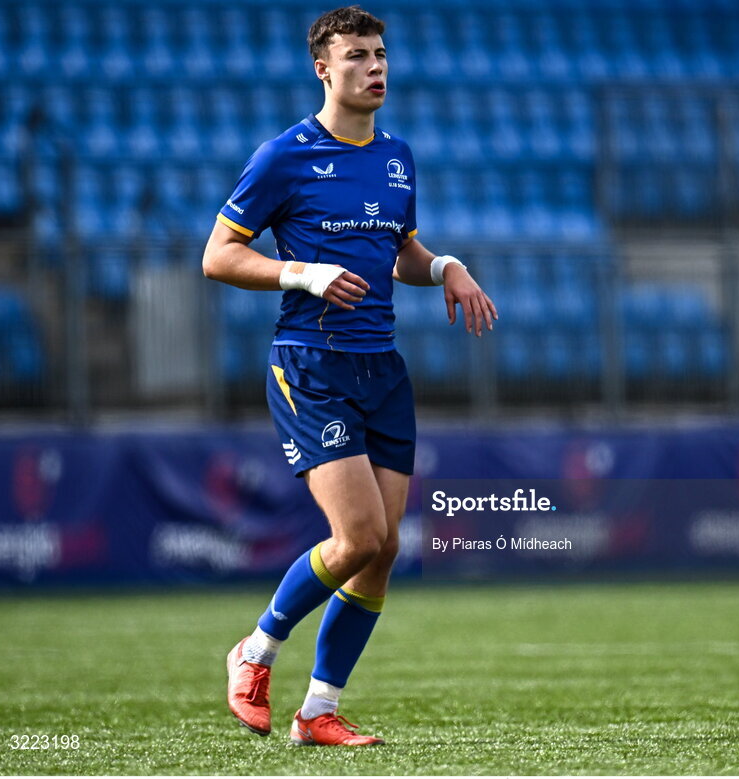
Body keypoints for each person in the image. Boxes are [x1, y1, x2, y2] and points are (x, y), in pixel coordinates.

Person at [201, 5, 497, 747]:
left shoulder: (396, 155)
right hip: (311, 365)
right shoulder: (284, 156)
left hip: (381, 368)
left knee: (385, 545)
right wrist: (300, 272)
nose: (376, 66)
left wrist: (445, 267)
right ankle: (256, 649)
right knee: (359, 533)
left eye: (381, 53)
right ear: (323, 69)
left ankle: (317, 710)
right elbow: (218, 256)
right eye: (358, 55)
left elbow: (401, 249)